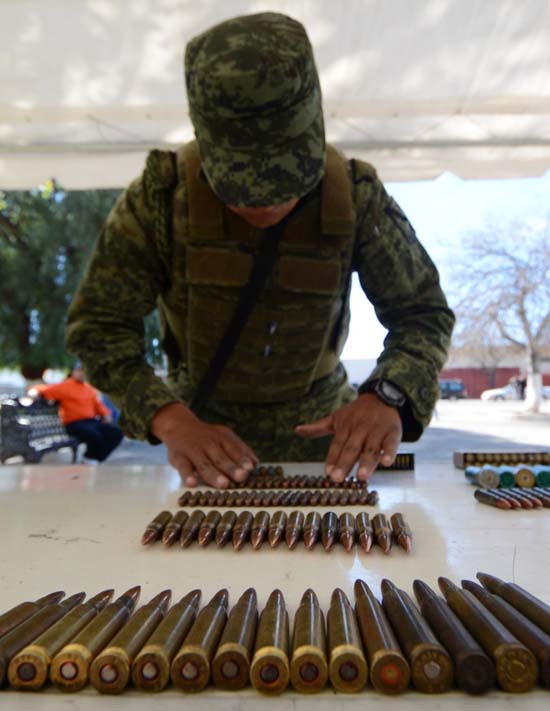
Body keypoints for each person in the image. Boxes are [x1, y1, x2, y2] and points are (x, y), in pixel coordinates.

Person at [66, 12, 454, 487]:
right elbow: (100, 328)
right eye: (242, 185)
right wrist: (169, 418)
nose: (266, 203)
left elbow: (422, 312)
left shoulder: (354, 195)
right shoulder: (162, 198)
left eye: (286, 181)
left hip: (325, 451)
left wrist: (388, 395)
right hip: (202, 445)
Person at [29, 363, 123, 462]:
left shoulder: (88, 388)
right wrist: (34, 392)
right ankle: (90, 458)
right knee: (94, 436)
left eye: (84, 371)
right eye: (80, 370)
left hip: (91, 421)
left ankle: (92, 458)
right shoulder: (65, 386)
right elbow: (41, 389)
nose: (82, 373)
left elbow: (97, 405)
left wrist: (105, 414)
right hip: (74, 424)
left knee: (116, 433)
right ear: (74, 372)